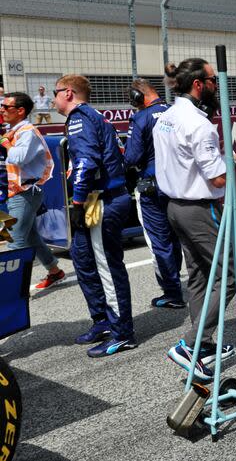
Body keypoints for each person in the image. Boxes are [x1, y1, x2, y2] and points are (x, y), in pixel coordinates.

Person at [153, 58, 236, 381]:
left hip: (174, 205)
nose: (218, 87)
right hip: (199, 208)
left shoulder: (166, 116)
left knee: (199, 276)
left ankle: (200, 343)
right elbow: (217, 178)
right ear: (198, 85)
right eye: (214, 81)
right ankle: (190, 344)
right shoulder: (200, 125)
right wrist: (233, 161)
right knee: (228, 278)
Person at [55, 75, 137, 357]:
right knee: (82, 257)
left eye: (55, 93)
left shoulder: (81, 117)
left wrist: (77, 201)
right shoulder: (92, 117)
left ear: (68, 93)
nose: (53, 99)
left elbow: (87, 162)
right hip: (96, 200)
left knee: (106, 267)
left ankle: (122, 333)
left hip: (101, 201)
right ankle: (102, 321)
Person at [123, 79, 184, 309]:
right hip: (177, 184)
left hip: (151, 186)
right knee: (175, 236)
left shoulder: (141, 118)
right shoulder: (175, 112)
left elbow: (132, 157)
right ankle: (175, 283)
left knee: (159, 241)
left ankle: (171, 292)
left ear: (139, 97)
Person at [1, 92, 65, 289]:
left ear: (20, 111)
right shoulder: (12, 130)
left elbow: (18, 158)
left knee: (15, 242)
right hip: (12, 192)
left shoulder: (26, 131)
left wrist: (4, 142)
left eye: (6, 107)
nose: (2, 110)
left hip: (25, 192)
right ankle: (55, 271)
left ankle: (12, 292)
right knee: (30, 237)